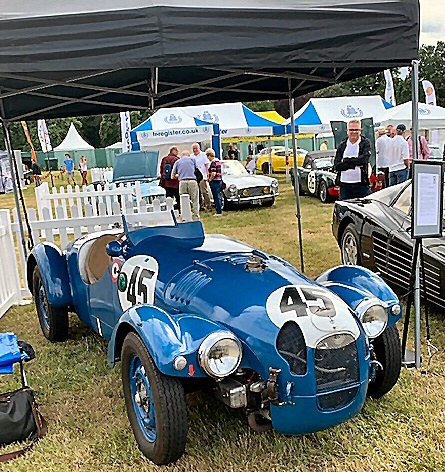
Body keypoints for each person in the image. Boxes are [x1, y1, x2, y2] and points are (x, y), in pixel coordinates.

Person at [333, 119, 371, 200]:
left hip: (361, 185)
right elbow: (337, 165)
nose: (354, 132)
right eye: (351, 130)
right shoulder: (342, 145)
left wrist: (346, 161)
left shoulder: (365, 143)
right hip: (345, 186)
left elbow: (364, 160)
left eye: (356, 130)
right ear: (347, 131)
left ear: (360, 130)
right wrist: (355, 164)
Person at [172, 150, 200, 220]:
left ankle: (185, 216)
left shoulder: (178, 162)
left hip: (182, 182)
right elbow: (197, 170)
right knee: (195, 200)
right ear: (188, 155)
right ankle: (196, 216)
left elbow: (172, 176)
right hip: (192, 181)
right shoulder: (193, 160)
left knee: (183, 200)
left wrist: (180, 175)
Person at [191, 142, 211, 211]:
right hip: (195, 177)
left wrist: (207, 174)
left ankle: (208, 205)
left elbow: (206, 165)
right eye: (193, 149)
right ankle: (201, 206)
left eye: (196, 148)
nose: (195, 150)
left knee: (204, 191)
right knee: (197, 192)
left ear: (199, 148)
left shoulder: (203, 155)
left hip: (203, 176)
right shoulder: (191, 156)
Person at [159, 146, 180, 210]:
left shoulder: (164, 159)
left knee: (168, 198)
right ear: (174, 151)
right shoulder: (176, 159)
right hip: (175, 182)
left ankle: (170, 210)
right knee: (178, 197)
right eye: (177, 151)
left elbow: (161, 170)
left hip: (166, 182)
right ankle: (178, 209)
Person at [206, 148, 223, 217]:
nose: (208, 158)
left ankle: (219, 211)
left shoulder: (213, 163)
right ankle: (220, 209)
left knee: (216, 197)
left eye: (208, 156)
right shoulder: (218, 162)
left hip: (215, 181)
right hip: (219, 181)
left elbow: (213, 173)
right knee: (218, 196)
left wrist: (210, 179)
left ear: (210, 155)